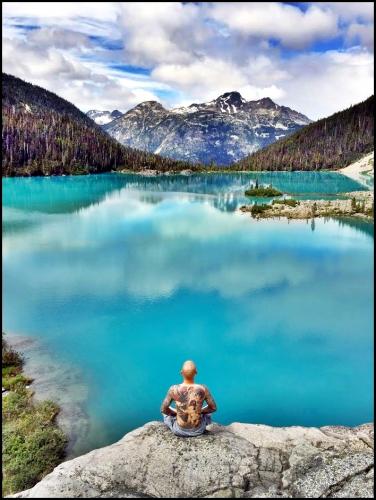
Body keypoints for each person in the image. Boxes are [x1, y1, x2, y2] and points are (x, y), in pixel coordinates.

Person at [160, 360, 217, 437]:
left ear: (181, 372)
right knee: (208, 412)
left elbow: (163, 409)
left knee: (166, 410)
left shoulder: (173, 389)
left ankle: (179, 417)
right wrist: (199, 411)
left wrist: (177, 412)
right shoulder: (203, 388)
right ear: (196, 372)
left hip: (179, 430)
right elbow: (213, 408)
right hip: (198, 430)